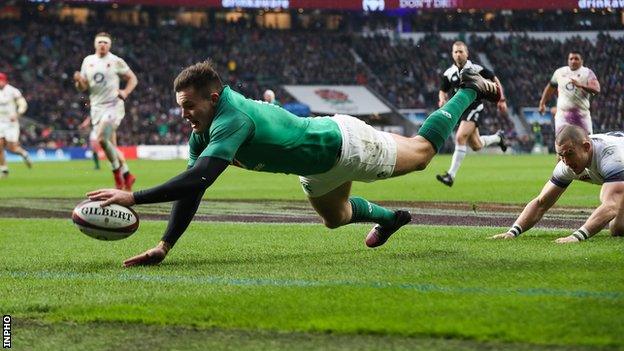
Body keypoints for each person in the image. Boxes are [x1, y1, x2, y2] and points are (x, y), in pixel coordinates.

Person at [87, 60, 501, 267]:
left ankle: (467, 91)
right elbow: (195, 186)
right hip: (315, 166)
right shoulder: (204, 130)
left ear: (212, 98)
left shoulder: (233, 118)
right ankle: (390, 219)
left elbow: (201, 175)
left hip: (342, 145)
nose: (184, 116)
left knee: (423, 153)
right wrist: (165, 245)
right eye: (181, 108)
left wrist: (132, 196)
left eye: (189, 106)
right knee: (336, 217)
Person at [491, 126, 624, 243]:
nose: (566, 161)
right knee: (618, 228)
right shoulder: (566, 165)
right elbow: (541, 203)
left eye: (570, 154)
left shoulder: (612, 157)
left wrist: (576, 237)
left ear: (586, 147)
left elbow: (611, 206)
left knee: (615, 218)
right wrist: (512, 232)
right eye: (561, 155)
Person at [436, 41, 508, 187]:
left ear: (467, 53)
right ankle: (498, 138)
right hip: (460, 110)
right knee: (476, 145)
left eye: (461, 51)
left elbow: (494, 79)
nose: (458, 54)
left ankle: (450, 175)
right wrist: (442, 99)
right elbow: (443, 90)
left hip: (474, 106)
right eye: (455, 52)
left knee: (460, 137)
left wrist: (501, 99)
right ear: (452, 54)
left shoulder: (475, 68)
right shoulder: (448, 73)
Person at [73, 32, 138, 190]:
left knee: (101, 139)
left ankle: (117, 175)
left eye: (105, 42)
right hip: (96, 107)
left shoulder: (115, 61)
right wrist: (79, 81)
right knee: (111, 146)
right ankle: (128, 175)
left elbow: (133, 78)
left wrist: (125, 92)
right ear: (95, 44)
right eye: (100, 42)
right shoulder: (88, 61)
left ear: (109, 45)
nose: (102, 44)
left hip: (113, 105)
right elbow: (82, 87)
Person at [538, 51, 600, 135]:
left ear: (582, 61)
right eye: (571, 59)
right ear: (568, 60)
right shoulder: (559, 72)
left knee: (586, 144)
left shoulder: (587, 73)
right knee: (562, 145)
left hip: (581, 115)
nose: (573, 61)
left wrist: (581, 85)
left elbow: (596, 89)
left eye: (576, 59)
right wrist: (542, 103)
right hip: (562, 116)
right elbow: (550, 87)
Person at [0, 72, 31, 178]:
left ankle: (24, 154)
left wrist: (18, 114)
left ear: (5, 80)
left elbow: (23, 104)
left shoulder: (13, 91)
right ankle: (4, 170)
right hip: (0, 122)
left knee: (12, 148)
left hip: (11, 123)